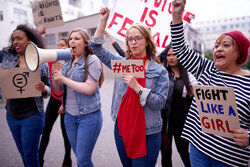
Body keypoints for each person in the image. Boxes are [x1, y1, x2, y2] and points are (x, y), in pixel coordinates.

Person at [171, 0, 250, 166]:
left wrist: (248, 136)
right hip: (198, 151)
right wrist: (177, 15)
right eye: (216, 46)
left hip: (230, 159)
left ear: (239, 53)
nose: (218, 49)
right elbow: (179, 48)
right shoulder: (207, 69)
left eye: (225, 45)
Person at [89, 7, 169, 167]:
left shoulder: (159, 70)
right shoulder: (122, 64)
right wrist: (103, 20)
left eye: (138, 38)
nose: (133, 42)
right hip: (122, 130)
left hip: (147, 132)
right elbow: (96, 47)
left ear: (147, 41)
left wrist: (137, 87)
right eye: (130, 39)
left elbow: (159, 103)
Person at [52, 28, 104, 167]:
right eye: (70, 39)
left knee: (82, 159)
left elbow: (89, 89)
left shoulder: (92, 60)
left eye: (77, 38)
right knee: (80, 158)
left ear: (86, 43)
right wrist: (56, 76)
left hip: (88, 117)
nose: (72, 41)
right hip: (69, 117)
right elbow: (57, 90)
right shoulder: (67, 63)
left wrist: (63, 78)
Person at [0, 24, 50, 166]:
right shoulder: (6, 56)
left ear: (29, 41)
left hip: (32, 116)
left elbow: (49, 88)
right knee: (23, 154)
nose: (15, 41)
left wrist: (43, 89)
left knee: (30, 156)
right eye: (13, 38)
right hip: (12, 116)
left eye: (19, 38)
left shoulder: (40, 60)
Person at [158, 44, 197, 167]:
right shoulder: (162, 74)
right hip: (164, 122)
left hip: (182, 124)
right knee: (165, 154)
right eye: (168, 55)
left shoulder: (189, 76)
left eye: (174, 54)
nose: (171, 57)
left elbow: (195, 101)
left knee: (185, 154)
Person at [39, 38, 72, 167]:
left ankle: (67, 160)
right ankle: (39, 159)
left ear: (69, 47)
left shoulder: (71, 63)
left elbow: (71, 86)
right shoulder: (52, 61)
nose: (59, 47)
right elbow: (53, 85)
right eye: (58, 45)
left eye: (63, 45)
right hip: (54, 100)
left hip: (66, 102)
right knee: (46, 129)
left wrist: (64, 103)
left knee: (65, 133)